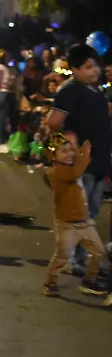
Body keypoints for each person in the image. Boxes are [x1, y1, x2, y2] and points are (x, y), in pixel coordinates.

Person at [44, 43, 112, 276]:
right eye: (88, 67)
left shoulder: (94, 90)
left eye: (96, 66)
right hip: (82, 163)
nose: (95, 71)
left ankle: (82, 258)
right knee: (77, 215)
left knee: (89, 215)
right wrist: (69, 140)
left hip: (98, 160)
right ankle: (71, 260)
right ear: (74, 69)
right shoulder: (70, 90)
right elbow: (54, 122)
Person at [41, 133, 108, 298]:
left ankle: (89, 281)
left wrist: (78, 151)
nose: (70, 154)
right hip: (67, 225)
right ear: (53, 156)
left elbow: (76, 168)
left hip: (85, 222)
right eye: (64, 151)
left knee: (98, 252)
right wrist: (84, 153)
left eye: (70, 150)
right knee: (62, 256)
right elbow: (76, 172)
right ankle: (50, 283)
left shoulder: (68, 169)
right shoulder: (55, 173)